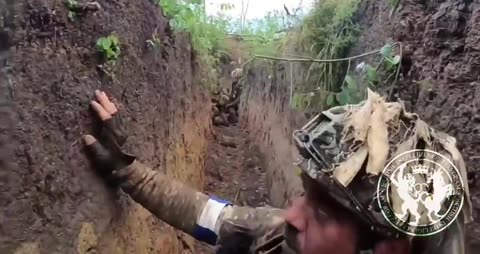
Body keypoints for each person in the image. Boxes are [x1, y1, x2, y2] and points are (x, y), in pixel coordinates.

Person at [82, 90, 470, 254]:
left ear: (390, 250)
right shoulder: (280, 240)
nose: (292, 216)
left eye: (322, 212)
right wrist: (127, 169)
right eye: (307, 196)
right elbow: (209, 215)